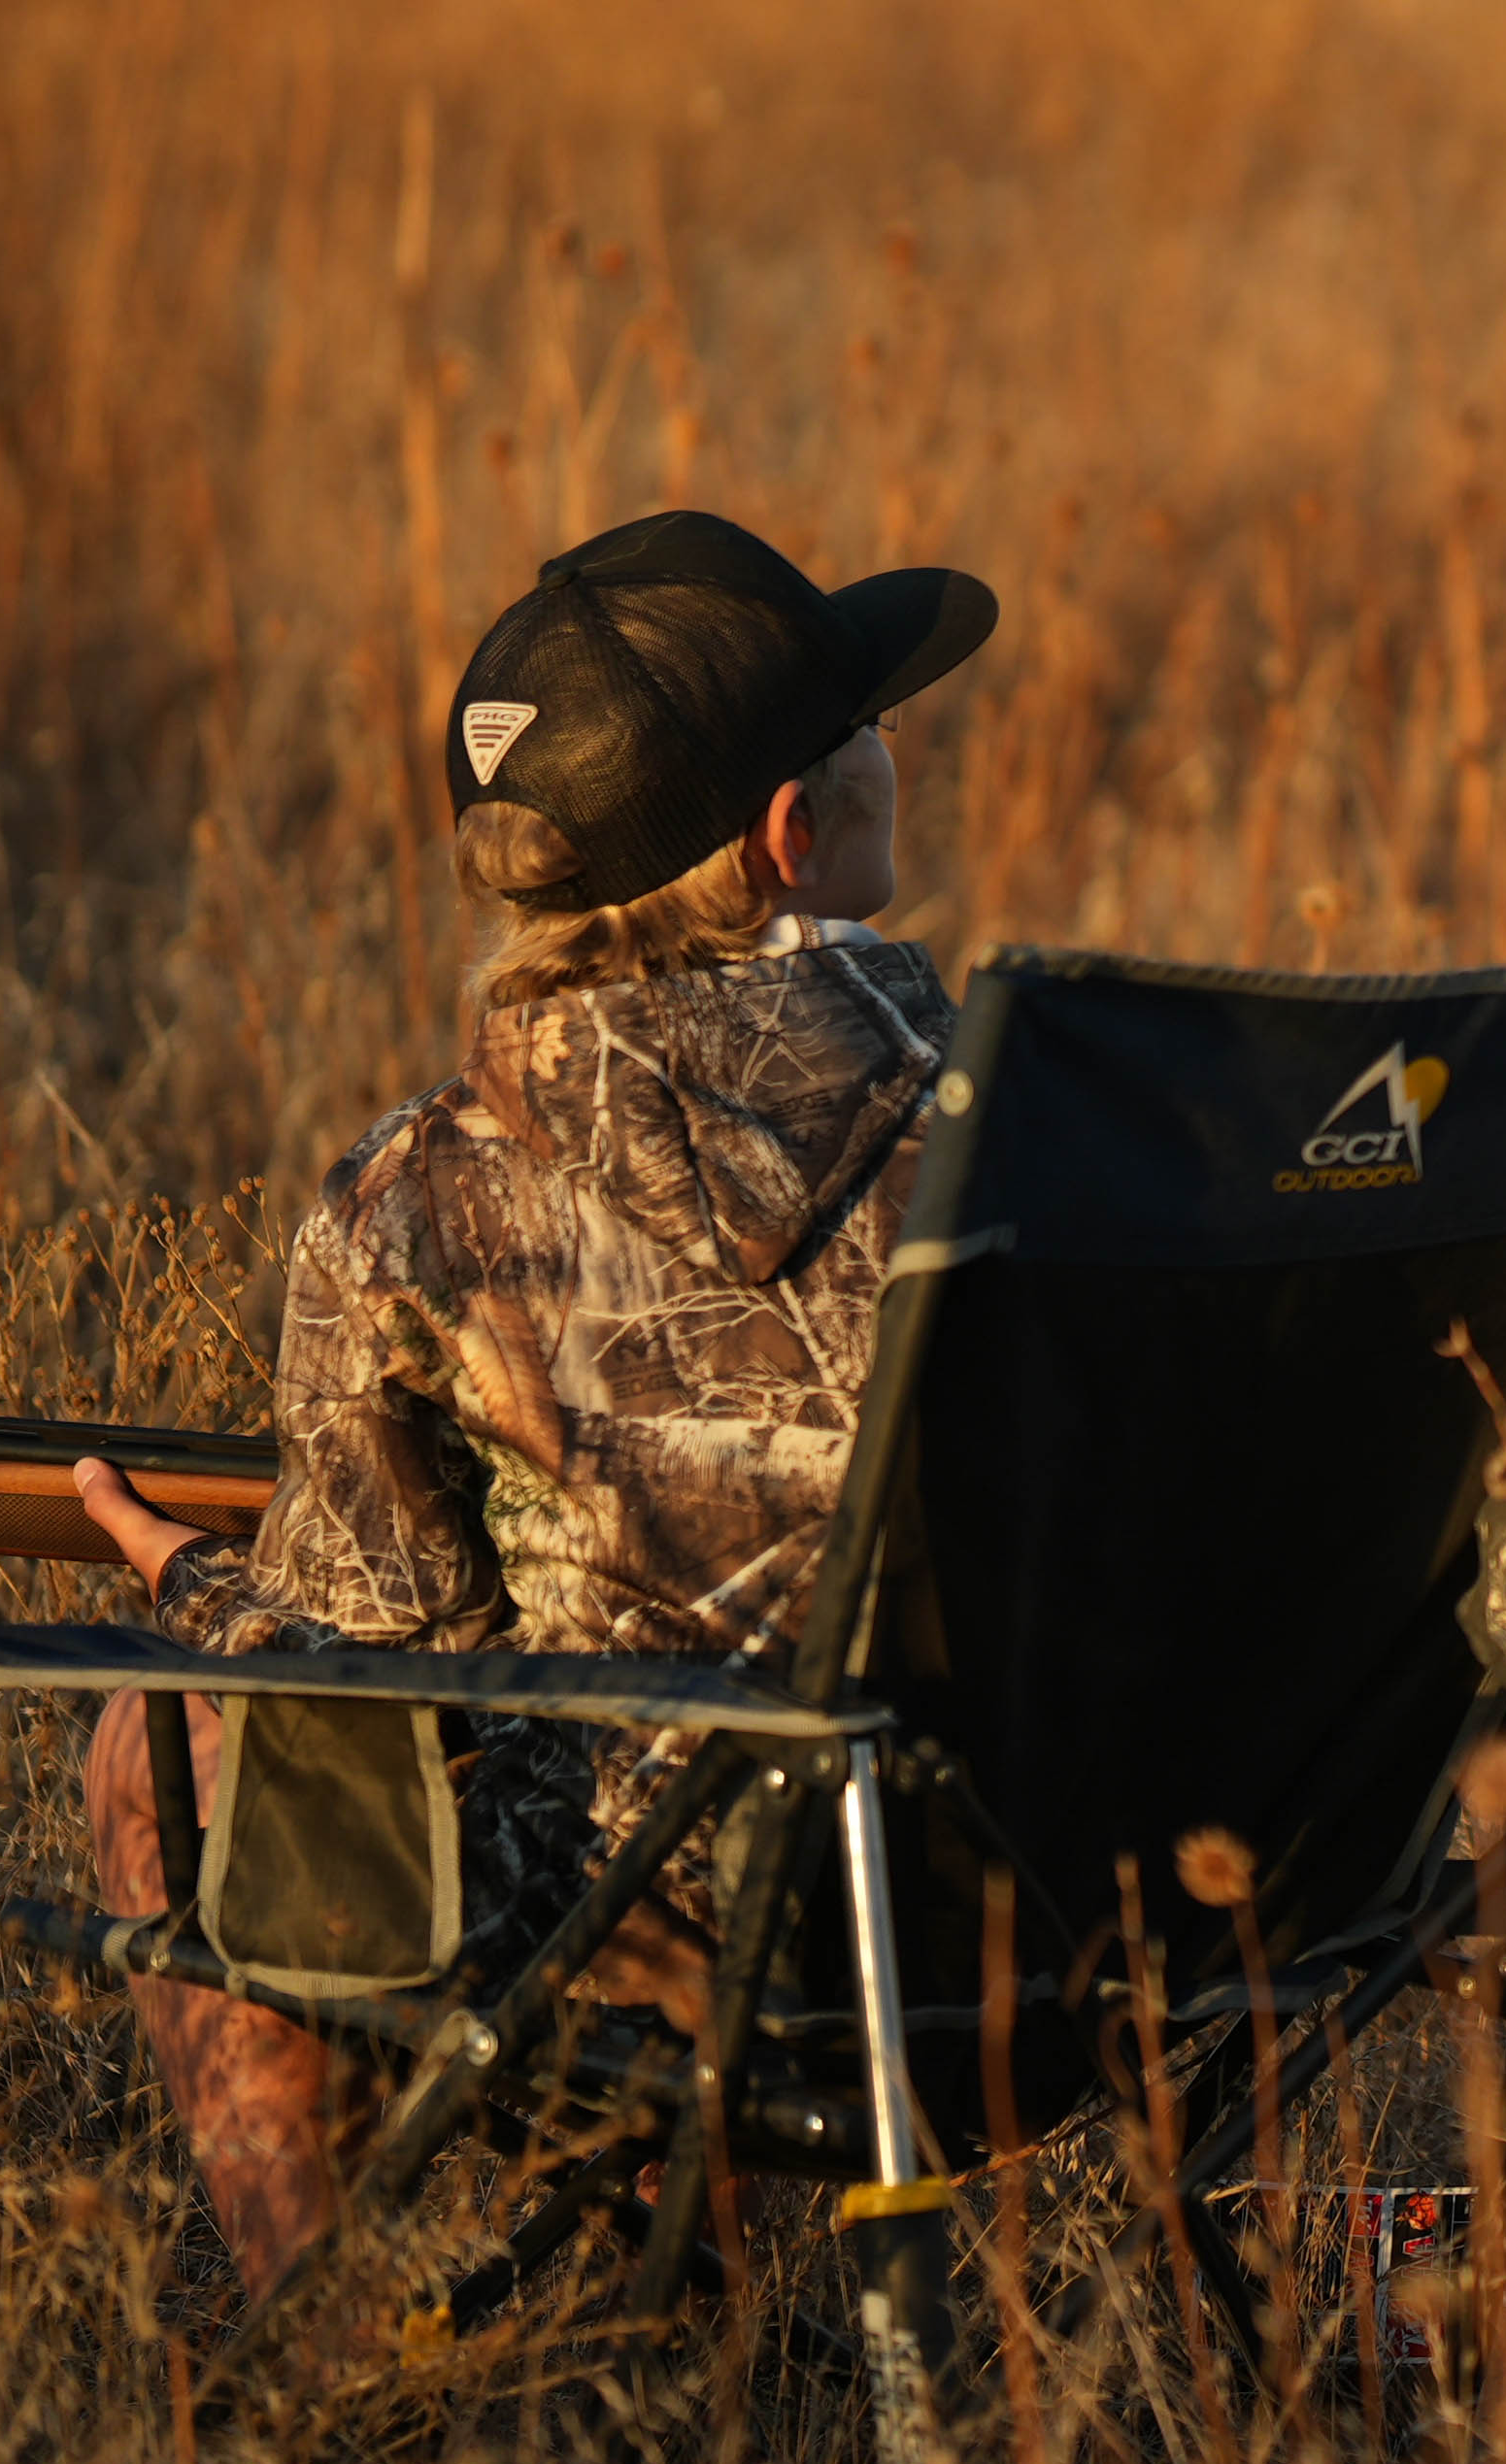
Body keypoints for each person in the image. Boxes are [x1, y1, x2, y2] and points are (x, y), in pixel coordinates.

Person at [62, 509, 995, 2290]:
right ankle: (684, 2344)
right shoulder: (1047, 1121)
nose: (898, 746)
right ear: (797, 833)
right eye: (870, 720)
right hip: (1092, 1915)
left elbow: (366, 1682)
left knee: (160, 1744)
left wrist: (187, 1579)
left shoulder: (410, 1195)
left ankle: (348, 2399)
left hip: (697, 1951)